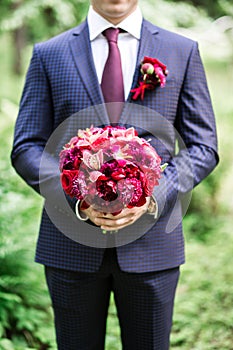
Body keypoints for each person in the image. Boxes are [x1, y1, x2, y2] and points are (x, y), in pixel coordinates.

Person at [11, 0, 218, 349]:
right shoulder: (50, 53)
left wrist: (153, 195)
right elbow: (27, 146)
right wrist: (78, 195)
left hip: (153, 247)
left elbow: (203, 146)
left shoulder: (181, 51)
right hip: (70, 245)